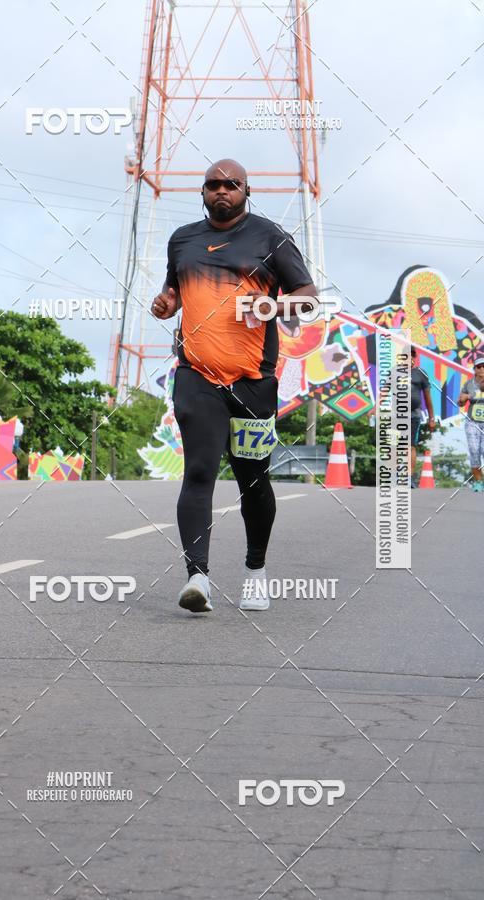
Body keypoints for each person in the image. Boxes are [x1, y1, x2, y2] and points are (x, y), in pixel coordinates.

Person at [152, 158, 317, 613]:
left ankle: (256, 571)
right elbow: (173, 292)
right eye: (212, 185)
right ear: (202, 193)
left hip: (251, 383)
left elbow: (307, 299)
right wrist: (165, 303)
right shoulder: (182, 239)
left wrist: (272, 307)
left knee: (253, 479)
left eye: (231, 185)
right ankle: (197, 577)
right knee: (199, 472)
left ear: (247, 190)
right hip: (196, 376)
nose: (221, 191)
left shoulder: (270, 237)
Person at [410, 346, 435, 488]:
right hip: (395, 416)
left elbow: (428, 398)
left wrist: (431, 419)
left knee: (410, 446)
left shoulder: (421, 374)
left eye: (412, 355)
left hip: (414, 416)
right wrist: (376, 409)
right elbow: (384, 392)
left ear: (414, 357)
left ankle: (409, 478)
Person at [458, 355, 484, 492]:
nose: (482, 369)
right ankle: (479, 482)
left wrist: (469, 396)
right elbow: (460, 402)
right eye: (479, 367)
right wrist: (462, 400)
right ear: (474, 369)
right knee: (474, 452)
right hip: (472, 423)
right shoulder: (468, 384)